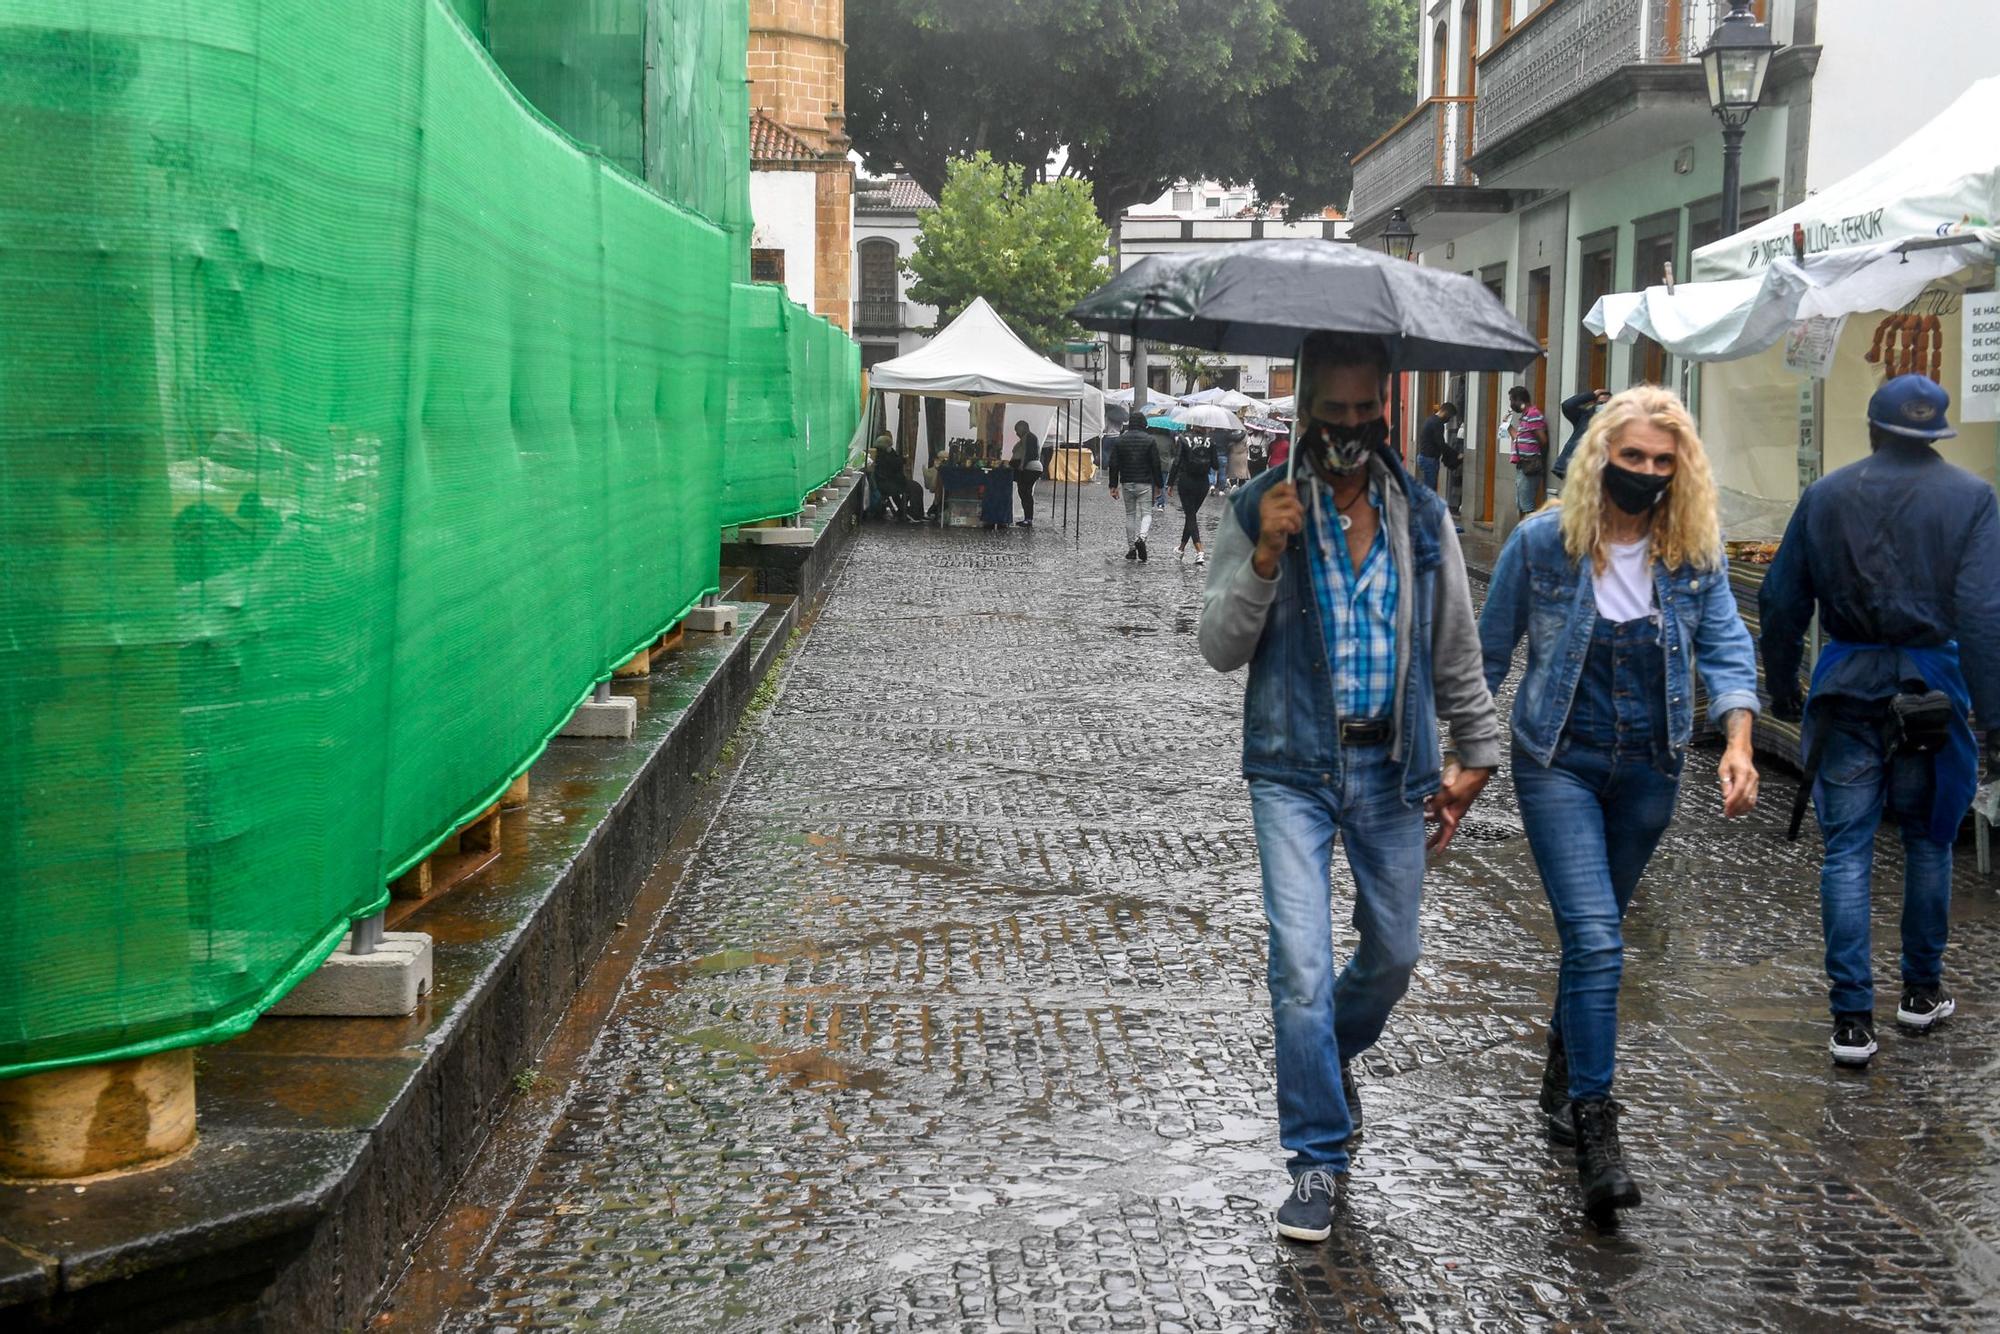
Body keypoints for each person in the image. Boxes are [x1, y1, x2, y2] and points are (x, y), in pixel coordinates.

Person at [1199, 332, 1500, 1245]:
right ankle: (1317, 1160)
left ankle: (1321, 1059)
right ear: (1304, 415)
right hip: (1291, 767)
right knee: (1299, 962)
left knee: (1395, 955)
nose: (1351, 430)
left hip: (1394, 771)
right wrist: (1262, 560)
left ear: (1388, 412)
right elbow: (1218, 647)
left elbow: (1454, 650)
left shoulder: (1424, 518)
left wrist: (1475, 754)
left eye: (1367, 413)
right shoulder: (1260, 507)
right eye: (1334, 414)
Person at [1480, 386, 1760, 1226]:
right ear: (1601, 454)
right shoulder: (1540, 543)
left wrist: (1740, 741)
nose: (1644, 473)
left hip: (1651, 769)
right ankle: (1599, 1131)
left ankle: (1565, 1060)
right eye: (1632, 457)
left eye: (1661, 462)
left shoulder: (1693, 554)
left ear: (1681, 472)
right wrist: (1451, 763)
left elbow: (1727, 647)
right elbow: (1484, 657)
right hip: (1557, 761)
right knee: (1598, 938)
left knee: (1593, 936)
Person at [1760, 375, 2000, 1069]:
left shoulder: (1827, 494)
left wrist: (1782, 688)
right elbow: (1986, 617)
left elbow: (1780, 600)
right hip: (1933, 689)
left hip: (1846, 688)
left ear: (1871, 428)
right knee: (1928, 843)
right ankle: (1921, 995)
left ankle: (1851, 1021)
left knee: (1847, 852)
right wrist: (1995, 723)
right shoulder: (1974, 499)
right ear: (1938, 434)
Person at [1106, 412, 1163, 561]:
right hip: (1144, 482)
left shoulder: (1120, 440)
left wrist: (1113, 485)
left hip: (1127, 482)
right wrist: (1159, 484)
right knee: (1147, 514)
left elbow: (1114, 464)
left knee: (1130, 515)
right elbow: (1156, 464)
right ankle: (1142, 538)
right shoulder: (1150, 440)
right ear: (1143, 424)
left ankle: (1131, 549)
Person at [1168, 431, 1219, 564]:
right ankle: (1181, 548)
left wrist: (1170, 482)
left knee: (1190, 515)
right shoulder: (1211, 441)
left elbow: (1177, 461)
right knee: (1191, 515)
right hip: (1203, 483)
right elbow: (1215, 465)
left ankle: (1199, 550)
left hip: (1186, 481)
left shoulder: (1183, 439)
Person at [1552, 387, 1611, 485]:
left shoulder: (1614, 423)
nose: (1603, 407)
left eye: (1607, 404)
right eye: (1601, 404)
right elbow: (1567, 405)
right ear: (1595, 404)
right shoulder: (1584, 416)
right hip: (1576, 465)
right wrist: (1592, 395)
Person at [1506, 386, 1548, 517]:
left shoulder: (1533, 414)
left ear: (1519, 400)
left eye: (1512, 400)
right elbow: (1518, 439)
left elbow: (1543, 439)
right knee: (1521, 504)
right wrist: (1507, 426)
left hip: (1530, 465)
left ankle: (1528, 535)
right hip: (1522, 465)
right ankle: (1523, 534)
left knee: (1527, 506)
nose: (1511, 404)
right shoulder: (1525, 417)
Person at [1415, 402, 1458, 494]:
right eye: (1450, 417)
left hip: (1424, 457)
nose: (1449, 420)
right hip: (1429, 460)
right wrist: (1456, 455)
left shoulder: (1431, 420)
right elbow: (1440, 443)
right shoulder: (1437, 423)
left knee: (1427, 488)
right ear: (1446, 412)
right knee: (1430, 490)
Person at [1010, 420, 1043, 527]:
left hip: (1030, 468)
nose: (1016, 433)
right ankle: (1027, 518)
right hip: (1031, 467)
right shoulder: (1029, 437)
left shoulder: (1029, 437)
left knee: (1025, 492)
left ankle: (1028, 519)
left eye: (1017, 430)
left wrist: (1021, 466)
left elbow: (1026, 452)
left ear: (1023, 427)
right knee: (1024, 492)